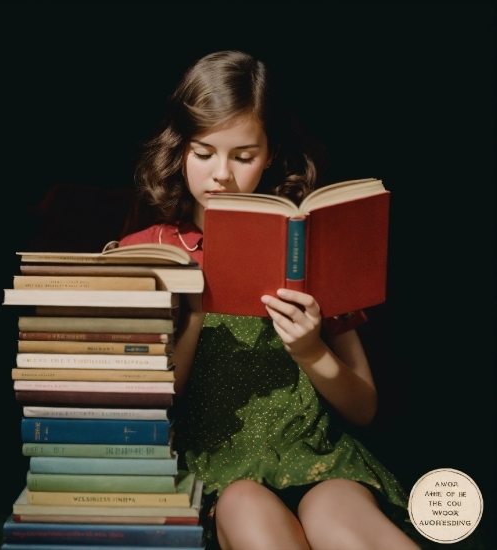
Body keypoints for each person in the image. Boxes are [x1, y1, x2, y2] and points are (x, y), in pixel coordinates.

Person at [119, 50, 426, 550]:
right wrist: (193, 316)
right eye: (203, 153)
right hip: (221, 473)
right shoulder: (148, 252)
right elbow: (144, 408)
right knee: (247, 508)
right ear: (179, 150)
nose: (222, 174)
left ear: (270, 154)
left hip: (319, 462)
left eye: (243, 156)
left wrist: (310, 350)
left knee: (340, 519)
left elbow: (364, 407)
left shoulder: (305, 251)